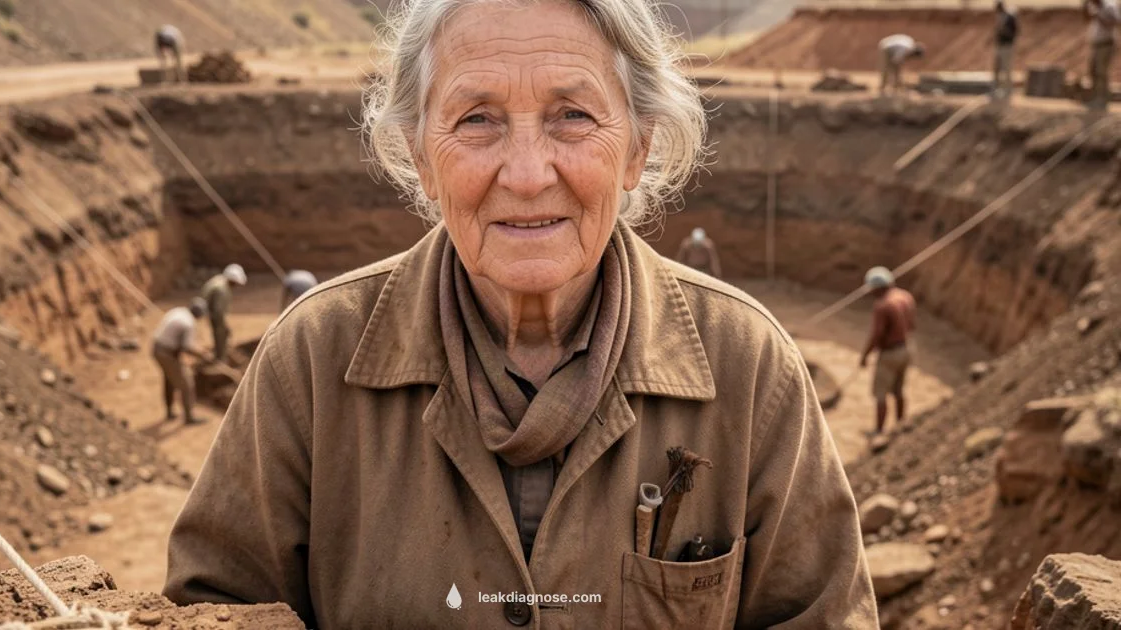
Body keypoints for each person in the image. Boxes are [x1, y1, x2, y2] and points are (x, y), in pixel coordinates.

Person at [164, 0, 878, 626]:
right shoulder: (310, 362)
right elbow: (216, 608)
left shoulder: (751, 369)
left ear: (638, 148)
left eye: (573, 116)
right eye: (477, 120)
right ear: (420, 156)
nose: (529, 174)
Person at [859, 267, 916, 436]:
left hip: (890, 353)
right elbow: (913, 325)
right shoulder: (906, 297)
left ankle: (879, 431)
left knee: (881, 394)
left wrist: (865, 355)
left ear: (879, 287)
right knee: (899, 390)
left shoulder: (883, 305)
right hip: (907, 348)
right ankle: (900, 423)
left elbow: (877, 334)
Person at [151, 298, 209, 424]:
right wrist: (203, 355)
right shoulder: (188, 323)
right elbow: (187, 347)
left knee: (169, 379)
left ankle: (169, 411)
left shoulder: (178, 311)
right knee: (187, 383)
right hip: (166, 352)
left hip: (157, 347)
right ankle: (189, 417)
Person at [201, 264, 246, 363]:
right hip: (214, 315)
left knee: (220, 334)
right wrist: (225, 326)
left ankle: (220, 355)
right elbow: (218, 311)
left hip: (211, 311)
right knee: (221, 334)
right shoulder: (222, 290)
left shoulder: (219, 280)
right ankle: (220, 359)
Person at [1085, 0, 1120, 110]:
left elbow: (1116, 22)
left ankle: (1102, 100)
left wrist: (1099, 16)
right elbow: (1086, 19)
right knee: (1093, 71)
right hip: (1097, 44)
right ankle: (1096, 97)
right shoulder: (1093, 6)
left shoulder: (1109, 6)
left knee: (1101, 72)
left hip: (1106, 44)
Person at [993, 1, 1019, 102]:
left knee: (1006, 68)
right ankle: (997, 88)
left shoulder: (1010, 18)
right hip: (1000, 46)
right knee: (997, 68)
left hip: (1007, 46)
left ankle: (1008, 90)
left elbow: (1014, 32)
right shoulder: (1000, 17)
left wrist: (1005, 31)